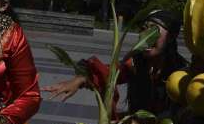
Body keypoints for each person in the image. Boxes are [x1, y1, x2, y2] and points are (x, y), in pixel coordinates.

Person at [43, 10, 187, 117]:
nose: (146, 35)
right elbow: (108, 74)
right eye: (144, 28)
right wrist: (81, 78)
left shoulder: (182, 74)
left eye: (154, 30)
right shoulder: (135, 63)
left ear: (171, 37)